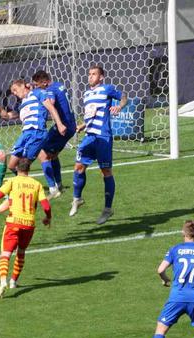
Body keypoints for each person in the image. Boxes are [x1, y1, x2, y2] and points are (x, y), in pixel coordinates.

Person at [0, 158, 51, 298]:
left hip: (13, 223)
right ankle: (13, 281)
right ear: (29, 169)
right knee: (21, 252)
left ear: (16, 168)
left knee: (5, 255)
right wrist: (47, 218)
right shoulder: (37, 184)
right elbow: (46, 206)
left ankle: (3, 282)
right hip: (29, 225)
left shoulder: (12, 182)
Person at [71, 65, 126, 224]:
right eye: (89, 74)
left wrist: (119, 106)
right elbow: (91, 115)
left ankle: (108, 209)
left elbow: (124, 96)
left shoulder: (107, 89)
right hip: (89, 136)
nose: (90, 77)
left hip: (103, 136)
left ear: (101, 77)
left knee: (106, 171)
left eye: (94, 74)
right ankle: (77, 199)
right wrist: (82, 125)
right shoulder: (86, 94)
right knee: (78, 166)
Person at [31, 70, 77, 198]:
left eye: (37, 85)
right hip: (70, 125)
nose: (36, 88)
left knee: (42, 155)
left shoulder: (50, 89)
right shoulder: (58, 85)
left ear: (45, 82)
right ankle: (59, 185)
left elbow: (50, 102)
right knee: (53, 154)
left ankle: (53, 190)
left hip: (63, 126)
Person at [7, 79, 66, 173]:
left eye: (15, 89)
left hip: (36, 132)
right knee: (11, 165)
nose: (14, 93)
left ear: (22, 86)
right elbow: (7, 116)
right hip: (25, 135)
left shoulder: (37, 93)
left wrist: (59, 124)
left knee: (26, 164)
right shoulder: (21, 104)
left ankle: (53, 186)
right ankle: (24, 182)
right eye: (12, 92)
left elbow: (51, 107)